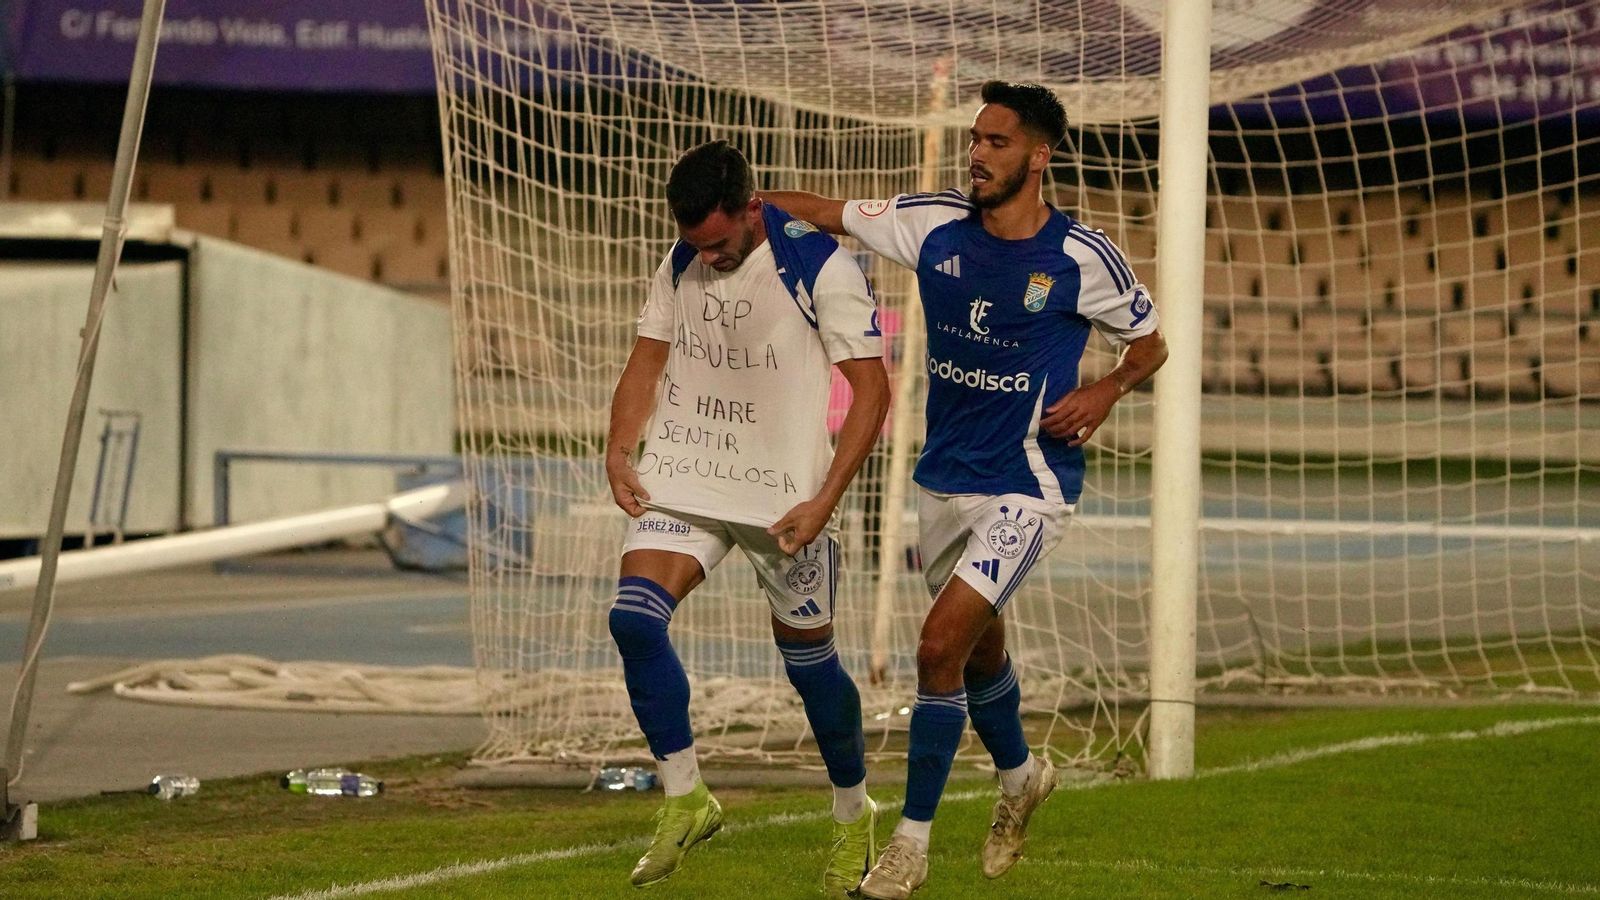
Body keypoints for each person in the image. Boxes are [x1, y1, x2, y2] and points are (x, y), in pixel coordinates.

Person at [762, 80, 1169, 899]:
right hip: (943, 483)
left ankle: (910, 845)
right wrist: (751, 201)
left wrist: (1105, 391)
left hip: (1028, 485)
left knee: (936, 647)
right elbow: (833, 212)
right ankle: (1020, 779)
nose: (977, 154)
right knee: (979, 651)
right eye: (976, 139)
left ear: (1038, 156)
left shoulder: (1081, 258)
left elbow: (1151, 345)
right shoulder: (932, 222)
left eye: (996, 142)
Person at [604, 140, 892, 896]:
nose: (711, 257)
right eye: (698, 245)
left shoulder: (821, 267)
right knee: (634, 620)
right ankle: (685, 797)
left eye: (722, 243)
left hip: (782, 499)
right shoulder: (681, 259)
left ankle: (853, 812)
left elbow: (872, 392)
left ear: (752, 207)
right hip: (691, 477)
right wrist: (618, 449)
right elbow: (647, 358)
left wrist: (826, 497)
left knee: (810, 668)